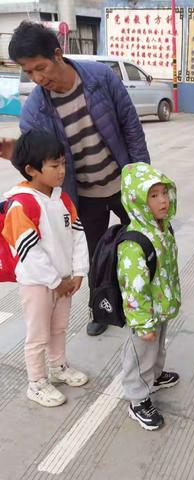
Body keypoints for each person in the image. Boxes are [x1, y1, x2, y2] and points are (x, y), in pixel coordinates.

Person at [7, 21, 151, 336]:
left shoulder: (100, 78)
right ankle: (102, 308)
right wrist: (17, 153)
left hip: (124, 184)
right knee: (95, 255)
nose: (37, 78)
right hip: (83, 196)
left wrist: (142, 178)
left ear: (58, 53)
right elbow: (39, 161)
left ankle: (149, 299)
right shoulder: (35, 110)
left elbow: (131, 128)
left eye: (40, 67)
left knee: (143, 243)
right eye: (29, 72)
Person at [2, 130, 89, 407]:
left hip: (63, 280)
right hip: (38, 284)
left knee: (59, 327)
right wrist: (55, 281)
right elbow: (29, 253)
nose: (62, 171)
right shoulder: (22, 204)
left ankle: (58, 367)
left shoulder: (63, 199)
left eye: (63, 163)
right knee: (38, 334)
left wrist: (78, 271)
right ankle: (37, 383)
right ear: (32, 170)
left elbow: (77, 235)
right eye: (54, 165)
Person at [117, 162, 181, 431]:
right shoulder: (134, 242)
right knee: (140, 352)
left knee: (158, 347)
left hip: (161, 305)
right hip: (144, 312)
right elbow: (133, 288)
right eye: (153, 196)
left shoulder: (163, 229)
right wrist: (142, 323)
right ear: (137, 201)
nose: (163, 200)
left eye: (164, 193)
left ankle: (154, 376)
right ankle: (137, 398)